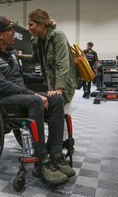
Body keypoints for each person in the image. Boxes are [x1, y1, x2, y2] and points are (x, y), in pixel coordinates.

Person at [0, 16, 75, 185]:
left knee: (55, 99)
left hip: (21, 94)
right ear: (0, 35)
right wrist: (32, 94)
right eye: (10, 30)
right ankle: (42, 161)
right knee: (36, 101)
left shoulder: (12, 53)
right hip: (3, 99)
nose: (14, 33)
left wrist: (42, 80)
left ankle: (56, 155)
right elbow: (1, 84)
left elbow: (20, 76)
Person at [18, 8, 78, 143]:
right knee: (56, 115)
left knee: (63, 114)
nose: (29, 28)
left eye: (31, 24)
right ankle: (59, 144)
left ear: (42, 24)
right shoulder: (38, 40)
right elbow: (35, 58)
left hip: (64, 84)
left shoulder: (57, 36)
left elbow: (63, 64)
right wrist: (18, 56)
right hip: (52, 84)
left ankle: (66, 145)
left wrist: (60, 88)